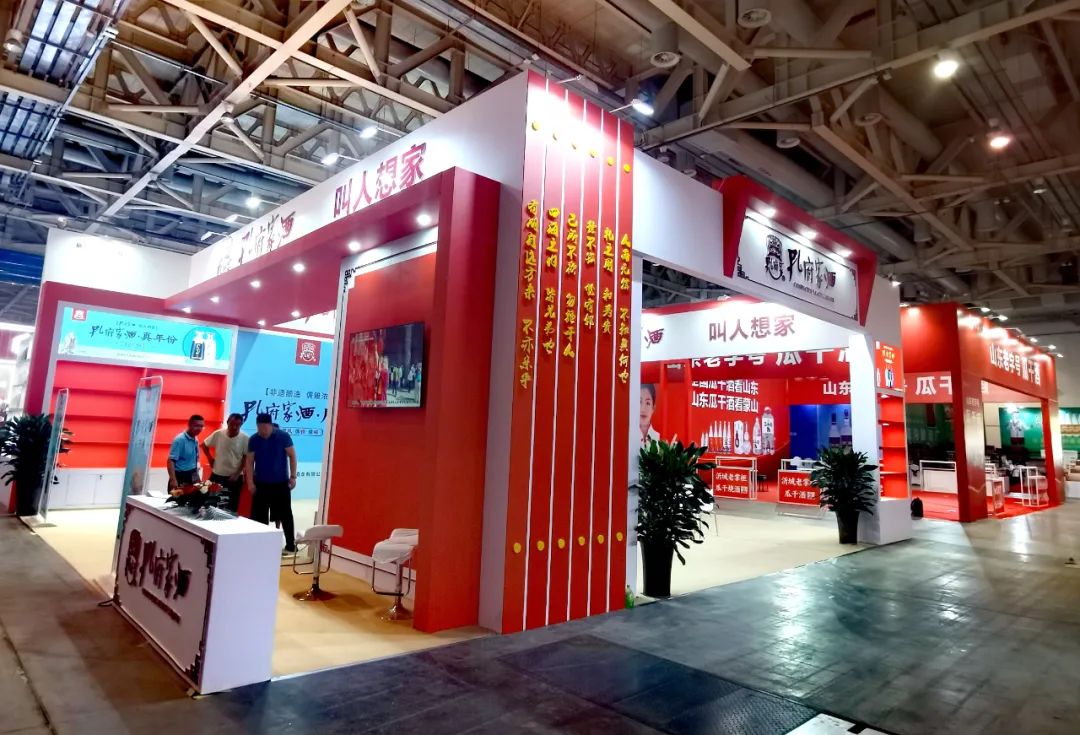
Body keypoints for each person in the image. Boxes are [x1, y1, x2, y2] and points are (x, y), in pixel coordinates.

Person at [246, 413, 298, 554]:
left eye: (265, 428)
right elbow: (249, 462)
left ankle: (290, 544)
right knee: (259, 516)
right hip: (261, 484)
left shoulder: (283, 436)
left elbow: (292, 456)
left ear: (270, 425)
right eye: (259, 428)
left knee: (286, 515)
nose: (262, 431)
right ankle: (261, 545)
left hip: (281, 484)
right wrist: (250, 483)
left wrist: (293, 477)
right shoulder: (254, 439)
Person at [202, 413, 248, 512]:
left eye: (237, 425)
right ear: (227, 423)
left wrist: (237, 474)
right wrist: (210, 458)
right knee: (210, 502)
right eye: (232, 424)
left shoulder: (245, 438)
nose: (234, 427)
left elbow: (246, 458)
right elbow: (204, 445)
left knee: (231, 506)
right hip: (217, 474)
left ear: (241, 425)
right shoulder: (218, 434)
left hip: (234, 477)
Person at [167, 414, 205, 491]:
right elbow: (170, 461)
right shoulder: (180, 440)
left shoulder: (195, 438)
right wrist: (173, 480)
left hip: (192, 475)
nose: (199, 429)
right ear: (189, 425)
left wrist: (197, 478)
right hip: (180, 477)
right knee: (178, 498)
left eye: (201, 426)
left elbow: (193, 460)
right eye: (197, 426)